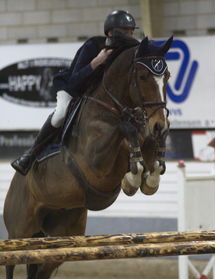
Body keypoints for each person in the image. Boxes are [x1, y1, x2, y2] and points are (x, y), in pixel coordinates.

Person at [11, 9, 138, 175]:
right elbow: (75, 81)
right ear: (110, 32)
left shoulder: (126, 53)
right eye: (124, 32)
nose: (129, 36)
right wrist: (96, 62)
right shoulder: (94, 45)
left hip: (95, 94)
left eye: (131, 32)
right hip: (71, 87)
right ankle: (30, 154)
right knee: (60, 114)